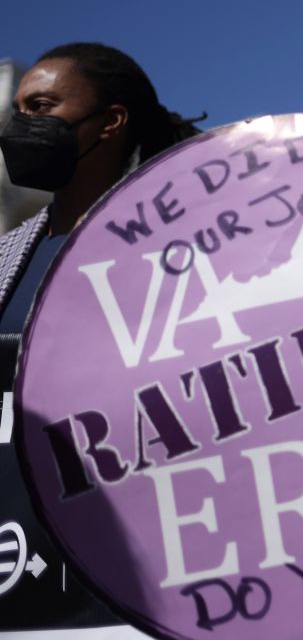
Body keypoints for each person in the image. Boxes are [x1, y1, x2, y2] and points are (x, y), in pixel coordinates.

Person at [0, 42, 203, 633]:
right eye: (17, 111)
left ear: (110, 122)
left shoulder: (182, 251)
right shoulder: (8, 259)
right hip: (20, 587)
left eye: (41, 106)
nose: (21, 127)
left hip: (136, 588)